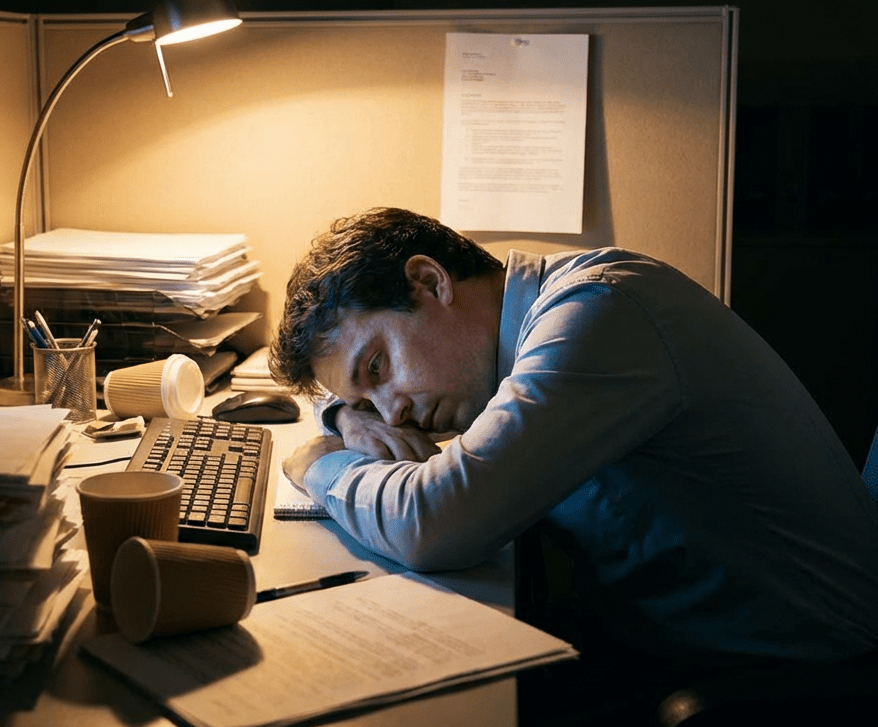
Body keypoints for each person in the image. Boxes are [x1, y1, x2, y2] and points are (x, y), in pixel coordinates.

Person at [269, 207, 878, 673]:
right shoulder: (537, 316)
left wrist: (320, 463)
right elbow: (339, 400)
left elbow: (436, 520)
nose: (392, 410)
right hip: (677, 646)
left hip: (784, 687)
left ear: (430, 282)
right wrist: (345, 419)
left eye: (378, 367)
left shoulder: (599, 313)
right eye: (366, 398)